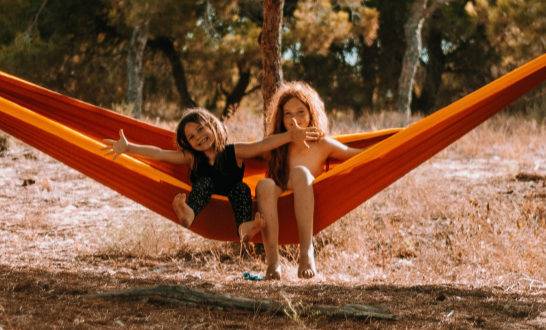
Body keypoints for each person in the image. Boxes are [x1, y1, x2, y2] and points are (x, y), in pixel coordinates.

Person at [102, 108, 320, 242]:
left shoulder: (235, 151)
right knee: (204, 183)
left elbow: (263, 145)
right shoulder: (191, 158)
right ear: (188, 144)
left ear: (213, 126)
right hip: (206, 202)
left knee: (242, 189)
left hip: (232, 198)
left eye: (200, 130)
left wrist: (290, 135)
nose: (198, 138)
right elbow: (160, 154)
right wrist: (129, 148)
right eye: (191, 137)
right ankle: (188, 213)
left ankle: (245, 228)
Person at [257, 82, 368, 279]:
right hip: (279, 203)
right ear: (280, 119)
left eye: (301, 112)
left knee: (300, 173)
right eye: (288, 114)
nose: (294, 120)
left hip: (307, 203)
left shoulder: (322, 144)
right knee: (264, 184)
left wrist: (400, 144)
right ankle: (273, 263)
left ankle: (306, 253)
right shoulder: (275, 144)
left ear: (311, 113)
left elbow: (359, 155)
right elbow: (241, 153)